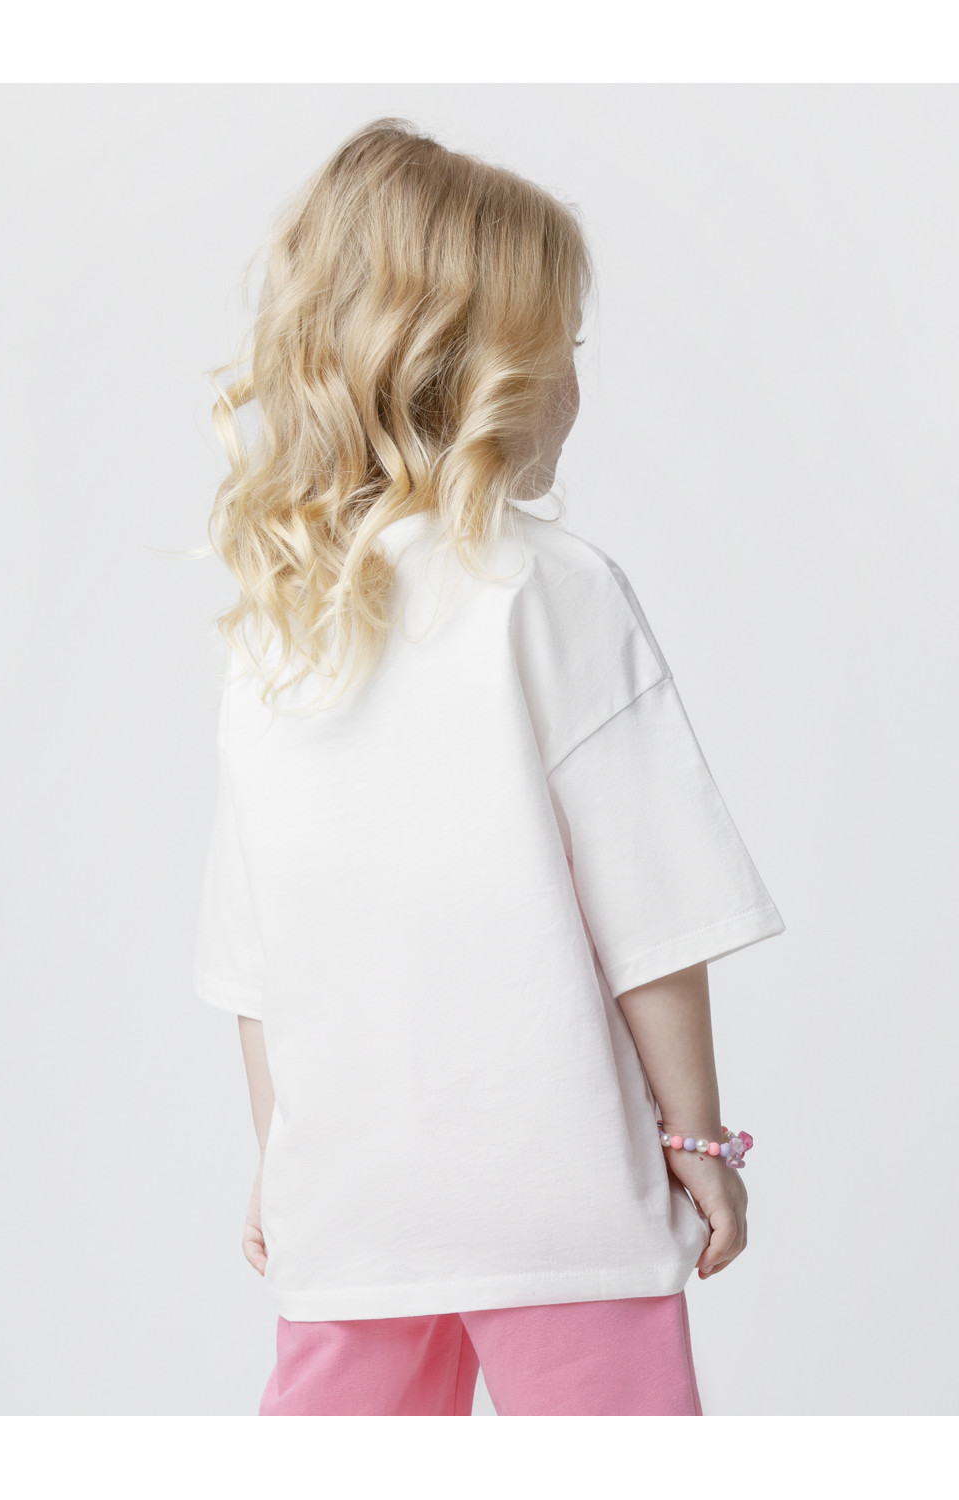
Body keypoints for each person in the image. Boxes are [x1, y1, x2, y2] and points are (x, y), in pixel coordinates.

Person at [192, 116, 786, 1417]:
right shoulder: (552, 589)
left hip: (354, 1211)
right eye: (564, 344)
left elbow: (255, 961)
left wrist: (284, 1163)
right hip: (562, 1197)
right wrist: (696, 1137)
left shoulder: (276, 630)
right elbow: (653, 914)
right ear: (492, 372)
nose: (577, 381)